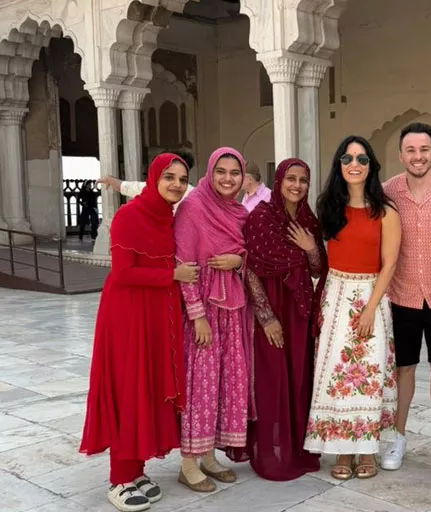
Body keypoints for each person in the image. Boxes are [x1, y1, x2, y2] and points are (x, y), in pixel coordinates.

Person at [80, 153, 199, 512]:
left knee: (148, 388)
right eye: (169, 177)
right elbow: (122, 273)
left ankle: (137, 469)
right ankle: (120, 478)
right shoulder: (129, 217)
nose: (176, 184)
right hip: (128, 316)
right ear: (152, 178)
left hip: (156, 316)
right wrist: (171, 277)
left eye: (181, 178)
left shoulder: (168, 218)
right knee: (129, 388)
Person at [304, 136, 401, 480]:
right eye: (347, 158)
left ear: (371, 165)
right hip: (335, 295)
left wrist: (370, 308)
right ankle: (341, 450)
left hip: (370, 294)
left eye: (361, 158)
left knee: (369, 375)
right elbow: (322, 259)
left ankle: (367, 450)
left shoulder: (386, 211)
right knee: (335, 375)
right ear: (339, 166)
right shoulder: (329, 207)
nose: (354, 164)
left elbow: (389, 264)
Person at [228, 158, 329, 481]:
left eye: (303, 180)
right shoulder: (261, 217)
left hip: (300, 310)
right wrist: (267, 317)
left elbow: (317, 269)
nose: (297, 186)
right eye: (291, 179)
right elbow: (251, 270)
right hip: (271, 309)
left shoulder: (307, 220)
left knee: (299, 379)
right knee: (274, 380)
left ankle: (297, 449)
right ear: (279, 181)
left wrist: (312, 248)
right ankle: (271, 453)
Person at [381, 122, 431, 471]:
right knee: (404, 371)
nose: (418, 156)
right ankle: (397, 438)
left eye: (424, 149)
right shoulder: (387, 192)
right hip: (402, 295)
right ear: (401, 155)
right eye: (411, 150)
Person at [174, 147, 252, 492]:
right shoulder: (193, 207)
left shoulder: (239, 212)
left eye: (234, 172)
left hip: (232, 310)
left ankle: (208, 455)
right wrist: (197, 317)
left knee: (224, 383)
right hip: (203, 307)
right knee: (199, 385)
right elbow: (184, 266)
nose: (227, 178)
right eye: (221, 171)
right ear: (209, 172)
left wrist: (239, 260)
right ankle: (188, 462)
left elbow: (247, 253)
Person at [97, 150, 197, 212]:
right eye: (169, 177)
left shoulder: (193, 196)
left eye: (182, 180)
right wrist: (109, 179)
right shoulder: (149, 189)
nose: (177, 184)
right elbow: (125, 186)